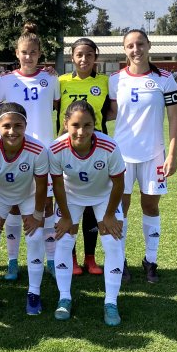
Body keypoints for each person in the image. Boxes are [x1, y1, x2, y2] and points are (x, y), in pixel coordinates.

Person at [107, 28, 177, 283]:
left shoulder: (165, 79)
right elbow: (112, 113)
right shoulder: (115, 80)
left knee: (150, 206)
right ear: (124, 50)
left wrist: (172, 154)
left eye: (140, 44)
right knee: (121, 210)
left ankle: (151, 260)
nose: (135, 50)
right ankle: (120, 260)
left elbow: (173, 120)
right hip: (122, 157)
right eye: (130, 46)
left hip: (154, 155)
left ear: (149, 46)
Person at [0, 23, 60, 281]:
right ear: (17, 53)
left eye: (33, 52)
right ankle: (12, 261)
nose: (28, 56)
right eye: (24, 52)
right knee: (13, 207)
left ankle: (51, 259)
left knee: (47, 206)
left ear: (40, 53)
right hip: (14, 151)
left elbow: (57, 107)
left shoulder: (50, 79)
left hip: (44, 152)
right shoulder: (5, 81)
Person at [50, 101, 126, 325]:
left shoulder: (109, 146)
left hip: (105, 196)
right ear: (66, 124)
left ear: (95, 125)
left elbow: (119, 184)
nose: (81, 131)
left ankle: (111, 302)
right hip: (71, 197)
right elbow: (57, 185)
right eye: (75, 125)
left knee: (113, 243)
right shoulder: (56, 148)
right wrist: (65, 216)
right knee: (63, 241)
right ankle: (64, 298)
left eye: (87, 125)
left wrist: (109, 215)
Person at [0, 102, 48, 316]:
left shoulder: (38, 149)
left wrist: (37, 215)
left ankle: (34, 293)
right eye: (6, 126)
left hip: (28, 193)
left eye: (18, 126)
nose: (12, 131)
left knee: (35, 237)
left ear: (26, 125)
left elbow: (42, 185)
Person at [58, 37, 109, 277]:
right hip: (68, 148)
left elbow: (110, 111)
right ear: (72, 58)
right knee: (71, 202)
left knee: (91, 204)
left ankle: (90, 257)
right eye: (79, 55)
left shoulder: (105, 82)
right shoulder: (60, 82)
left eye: (89, 55)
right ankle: (72, 257)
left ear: (95, 58)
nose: (84, 59)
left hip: (96, 147)